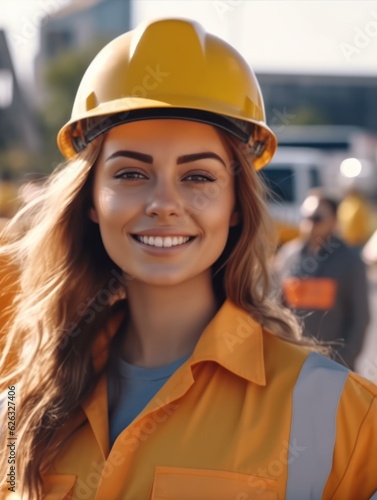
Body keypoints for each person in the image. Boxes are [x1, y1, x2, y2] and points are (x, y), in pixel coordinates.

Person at [0, 18, 376, 500]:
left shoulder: (342, 416)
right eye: (131, 173)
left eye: (198, 177)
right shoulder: (19, 409)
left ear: (236, 203)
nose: (164, 203)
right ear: (92, 200)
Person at [274, 190, 370, 370]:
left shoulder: (350, 262)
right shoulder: (288, 256)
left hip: (333, 368)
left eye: (317, 218)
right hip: (292, 366)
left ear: (334, 221)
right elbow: (277, 309)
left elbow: (360, 318)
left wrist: (343, 363)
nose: (309, 224)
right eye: (306, 217)